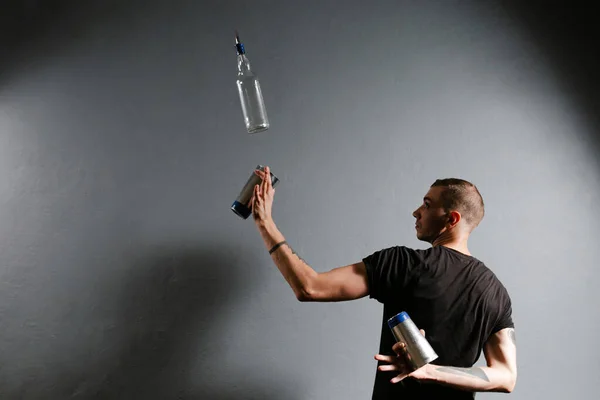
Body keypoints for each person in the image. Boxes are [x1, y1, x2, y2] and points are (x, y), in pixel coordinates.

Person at [250, 166, 517, 399]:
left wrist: (265, 222)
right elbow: (505, 376)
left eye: (427, 204)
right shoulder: (496, 292)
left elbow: (309, 287)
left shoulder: (404, 262)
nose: (416, 212)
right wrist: (433, 372)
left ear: (452, 219)